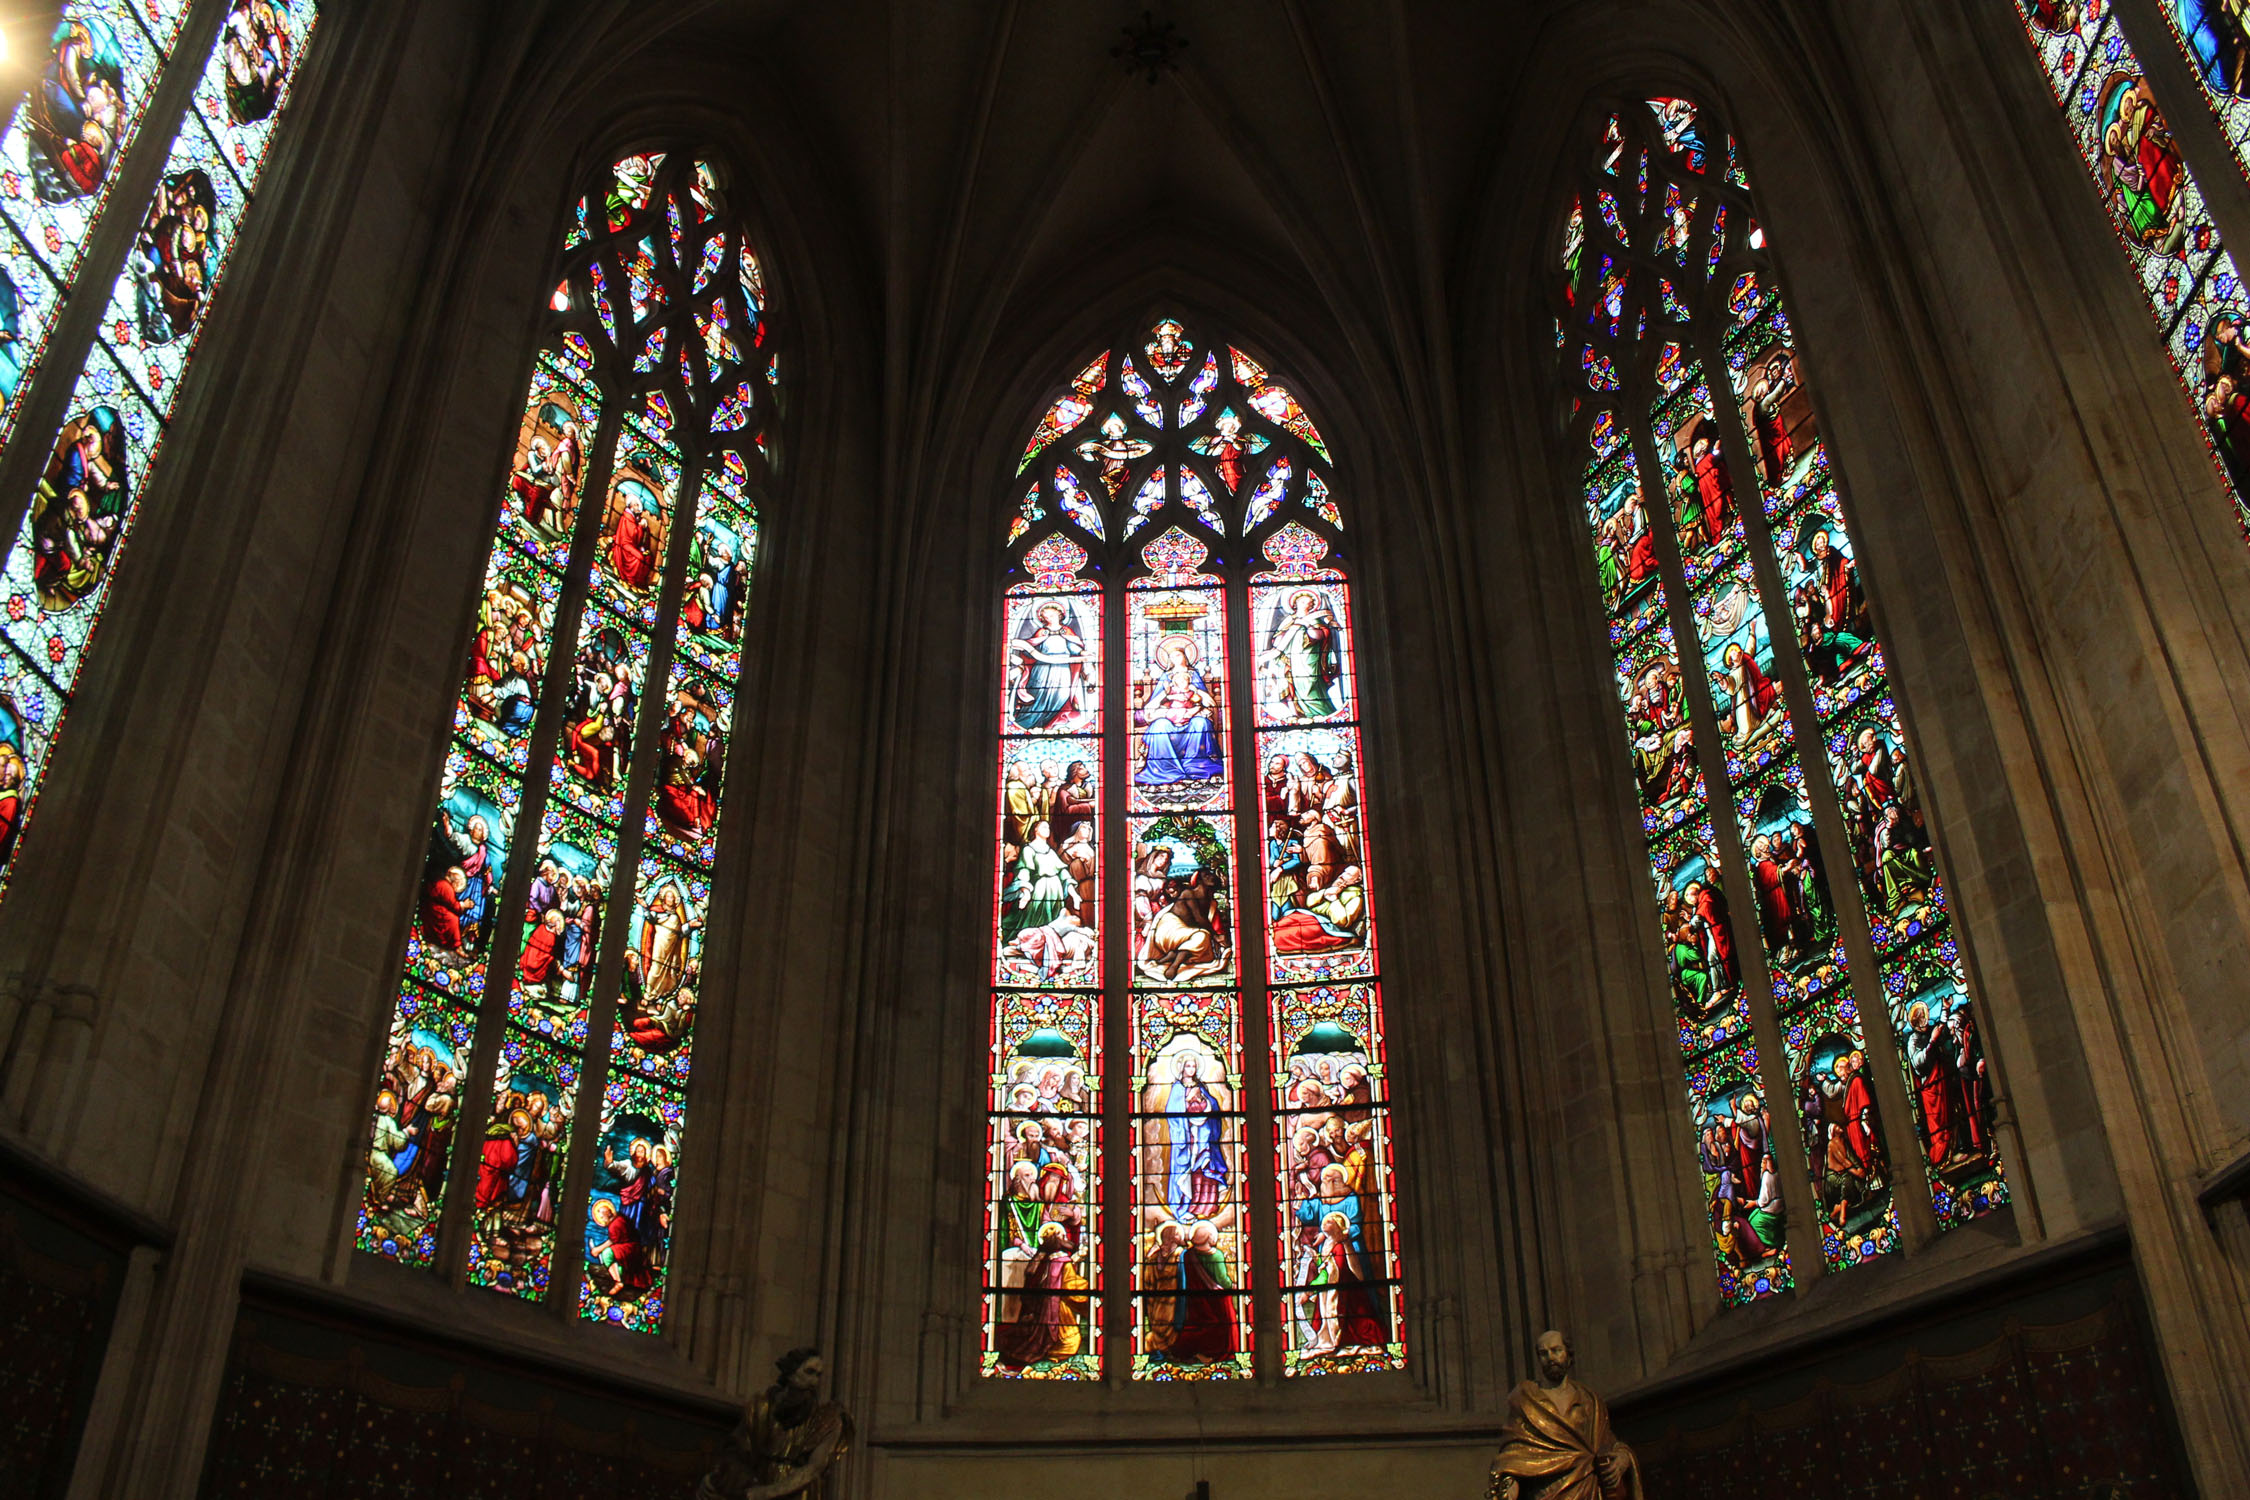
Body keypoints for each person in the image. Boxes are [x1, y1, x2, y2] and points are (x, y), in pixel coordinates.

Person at [1489, 1331, 1644, 1499]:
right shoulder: (1526, 1400)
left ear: (1568, 1355)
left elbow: (1607, 1442)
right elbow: (1513, 1453)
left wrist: (1623, 1457)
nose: (1550, 1358)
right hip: (1545, 1492)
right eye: (1543, 1353)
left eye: (1556, 1350)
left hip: (1588, 1491)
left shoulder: (1589, 1401)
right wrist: (1511, 1483)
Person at [696, 1348, 853, 1500]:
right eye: (809, 1372)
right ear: (790, 1373)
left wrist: (766, 1493)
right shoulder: (760, 1409)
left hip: (797, 1492)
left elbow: (813, 1469)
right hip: (759, 1480)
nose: (814, 1381)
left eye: (819, 1375)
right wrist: (718, 1478)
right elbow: (737, 1451)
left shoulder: (826, 1419)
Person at [1134, 637, 1224, 786]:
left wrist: (1195, 698)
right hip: (1170, 717)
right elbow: (1153, 705)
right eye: (1172, 656)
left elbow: (1206, 701)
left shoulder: (1193, 675)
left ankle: (1195, 767)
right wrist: (1166, 695)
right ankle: (1165, 769)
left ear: (1185, 656)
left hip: (1192, 716)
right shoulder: (1165, 677)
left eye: (1178, 654)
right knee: (1159, 726)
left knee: (1201, 723)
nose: (1175, 658)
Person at [1007, 603, 1090, 731]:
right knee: (1039, 694)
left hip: (1062, 670)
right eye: (1046, 617)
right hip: (1042, 670)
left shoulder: (1066, 632)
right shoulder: (1041, 632)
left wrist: (1083, 653)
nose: (1049, 618)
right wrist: (1025, 647)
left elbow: (1073, 647)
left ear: (1060, 615)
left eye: (1051, 615)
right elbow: (1031, 650)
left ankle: (1054, 724)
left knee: (1062, 695)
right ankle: (1031, 723)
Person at [1261, 590, 1342, 719]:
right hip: (1291, 660)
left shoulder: (1315, 620)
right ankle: (1297, 715)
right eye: (1303, 601)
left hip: (1310, 660)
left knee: (1311, 686)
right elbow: (1277, 640)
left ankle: (1321, 714)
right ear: (1295, 603)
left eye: (1310, 603)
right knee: (1290, 686)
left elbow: (1320, 635)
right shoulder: (1288, 621)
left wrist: (1307, 624)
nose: (1307, 604)